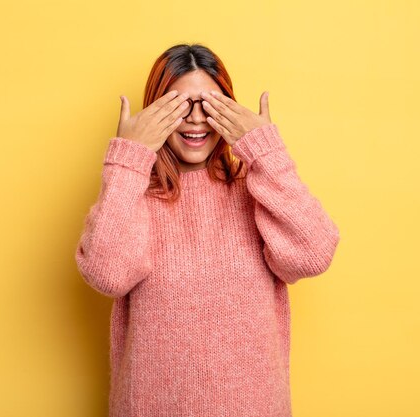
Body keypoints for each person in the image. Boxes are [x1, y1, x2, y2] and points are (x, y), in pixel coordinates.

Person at [74, 43, 341, 417]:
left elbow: (313, 254)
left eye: (210, 105)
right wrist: (129, 158)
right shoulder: (132, 194)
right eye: (179, 106)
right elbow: (106, 274)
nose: (196, 119)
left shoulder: (256, 188)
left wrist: (266, 152)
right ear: (155, 113)